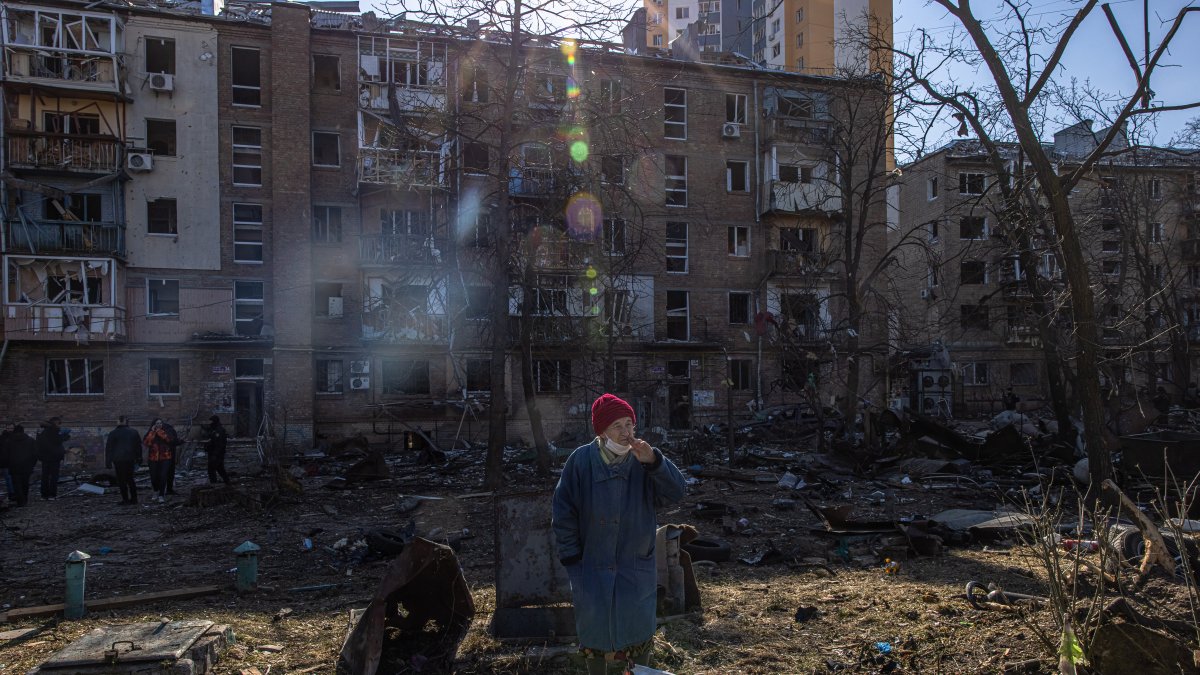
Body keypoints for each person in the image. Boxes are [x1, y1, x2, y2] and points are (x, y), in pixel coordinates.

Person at [552, 393, 687, 673]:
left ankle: (637, 669)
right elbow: (563, 512)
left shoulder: (643, 459)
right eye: (617, 426)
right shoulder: (581, 461)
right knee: (596, 632)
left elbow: (676, 492)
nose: (626, 432)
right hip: (591, 565)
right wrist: (572, 557)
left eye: (629, 424)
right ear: (602, 431)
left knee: (637, 631)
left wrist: (655, 462)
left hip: (635, 565)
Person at [105, 416, 142, 505]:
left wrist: (108, 461)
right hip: (130, 459)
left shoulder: (113, 433)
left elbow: (109, 448)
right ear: (126, 421)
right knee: (130, 479)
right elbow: (138, 447)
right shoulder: (133, 432)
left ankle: (125, 499)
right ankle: (134, 499)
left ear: (118, 421)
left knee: (121, 480)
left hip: (118, 460)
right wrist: (139, 458)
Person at [36, 417, 69, 500]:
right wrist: (65, 436)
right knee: (54, 477)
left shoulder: (43, 432)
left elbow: (38, 444)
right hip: (54, 458)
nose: (60, 425)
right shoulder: (54, 432)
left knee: (45, 476)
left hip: (45, 458)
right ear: (55, 423)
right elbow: (58, 441)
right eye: (59, 423)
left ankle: (44, 495)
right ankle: (52, 494)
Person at [6, 425, 38, 507]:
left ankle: (20, 501)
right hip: (27, 466)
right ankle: (25, 499)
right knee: (25, 483)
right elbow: (35, 454)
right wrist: (32, 464)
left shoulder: (9, 441)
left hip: (14, 466)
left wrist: (7, 464)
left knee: (16, 484)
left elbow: (6, 454)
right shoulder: (31, 440)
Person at [143, 419, 174, 502]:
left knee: (163, 476)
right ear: (154, 424)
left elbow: (169, 440)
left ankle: (161, 494)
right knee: (154, 477)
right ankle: (156, 491)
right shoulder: (150, 432)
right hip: (153, 458)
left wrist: (159, 431)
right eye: (157, 423)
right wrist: (152, 432)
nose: (159, 424)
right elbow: (147, 443)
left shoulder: (166, 431)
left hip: (165, 458)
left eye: (160, 423)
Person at [204, 415, 230, 484]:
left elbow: (220, 444)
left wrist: (215, 454)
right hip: (213, 452)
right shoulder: (213, 429)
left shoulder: (219, 430)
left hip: (216, 453)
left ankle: (214, 484)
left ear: (214, 421)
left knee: (211, 469)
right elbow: (210, 440)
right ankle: (227, 482)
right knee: (220, 468)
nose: (209, 423)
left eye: (211, 421)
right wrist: (207, 447)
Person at [0, 422, 14, 503]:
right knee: (9, 479)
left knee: (12, 479)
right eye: (8, 428)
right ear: (6, 428)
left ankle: (13, 494)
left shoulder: (15, 437)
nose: (10, 430)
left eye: (11, 428)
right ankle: (11, 494)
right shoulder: (2, 438)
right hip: (5, 462)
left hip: (14, 461)